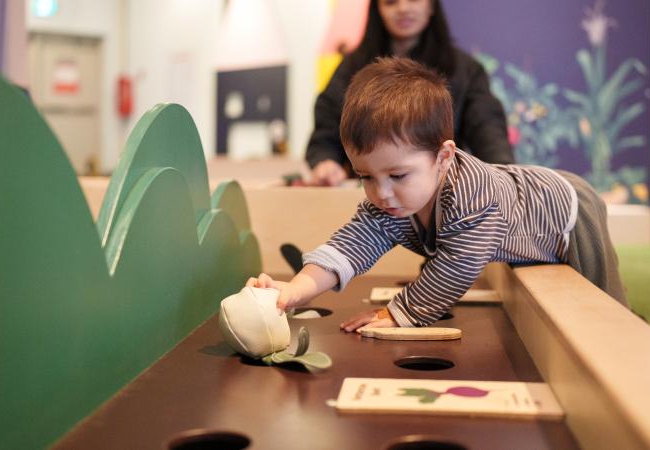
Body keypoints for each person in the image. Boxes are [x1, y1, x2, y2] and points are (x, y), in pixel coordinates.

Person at [248, 57, 627, 331]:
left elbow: (457, 265)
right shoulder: (390, 198)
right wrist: (296, 289)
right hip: (523, 224)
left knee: (600, 308)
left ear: (443, 157)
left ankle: (627, 335)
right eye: (364, 176)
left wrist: (399, 313)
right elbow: (350, 246)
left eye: (397, 175)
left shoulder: (472, 196)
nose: (381, 192)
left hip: (567, 211)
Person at [306, 0, 514, 186]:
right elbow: (327, 128)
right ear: (378, 10)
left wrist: (503, 176)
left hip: (439, 197)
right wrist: (325, 162)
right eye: (391, 2)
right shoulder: (352, 67)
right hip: (366, 197)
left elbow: (487, 130)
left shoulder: (465, 70)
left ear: (431, 5)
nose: (403, 8)